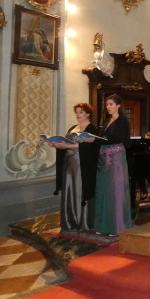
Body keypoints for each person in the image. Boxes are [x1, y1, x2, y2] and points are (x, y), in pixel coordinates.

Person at [50, 103, 98, 231]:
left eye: (81, 112)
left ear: (88, 114)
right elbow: (65, 143)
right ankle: (69, 220)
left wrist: (67, 146)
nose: (78, 115)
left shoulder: (92, 129)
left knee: (80, 190)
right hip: (68, 163)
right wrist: (56, 144)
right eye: (76, 112)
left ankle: (83, 221)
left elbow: (91, 148)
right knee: (69, 189)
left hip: (82, 164)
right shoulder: (73, 128)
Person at [95, 94, 133, 236]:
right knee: (103, 190)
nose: (108, 107)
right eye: (107, 104)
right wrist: (95, 139)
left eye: (110, 104)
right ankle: (103, 225)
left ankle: (117, 225)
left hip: (116, 157)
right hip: (103, 157)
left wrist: (102, 138)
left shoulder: (123, 121)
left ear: (118, 105)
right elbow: (104, 138)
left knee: (115, 190)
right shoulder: (107, 121)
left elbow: (122, 139)